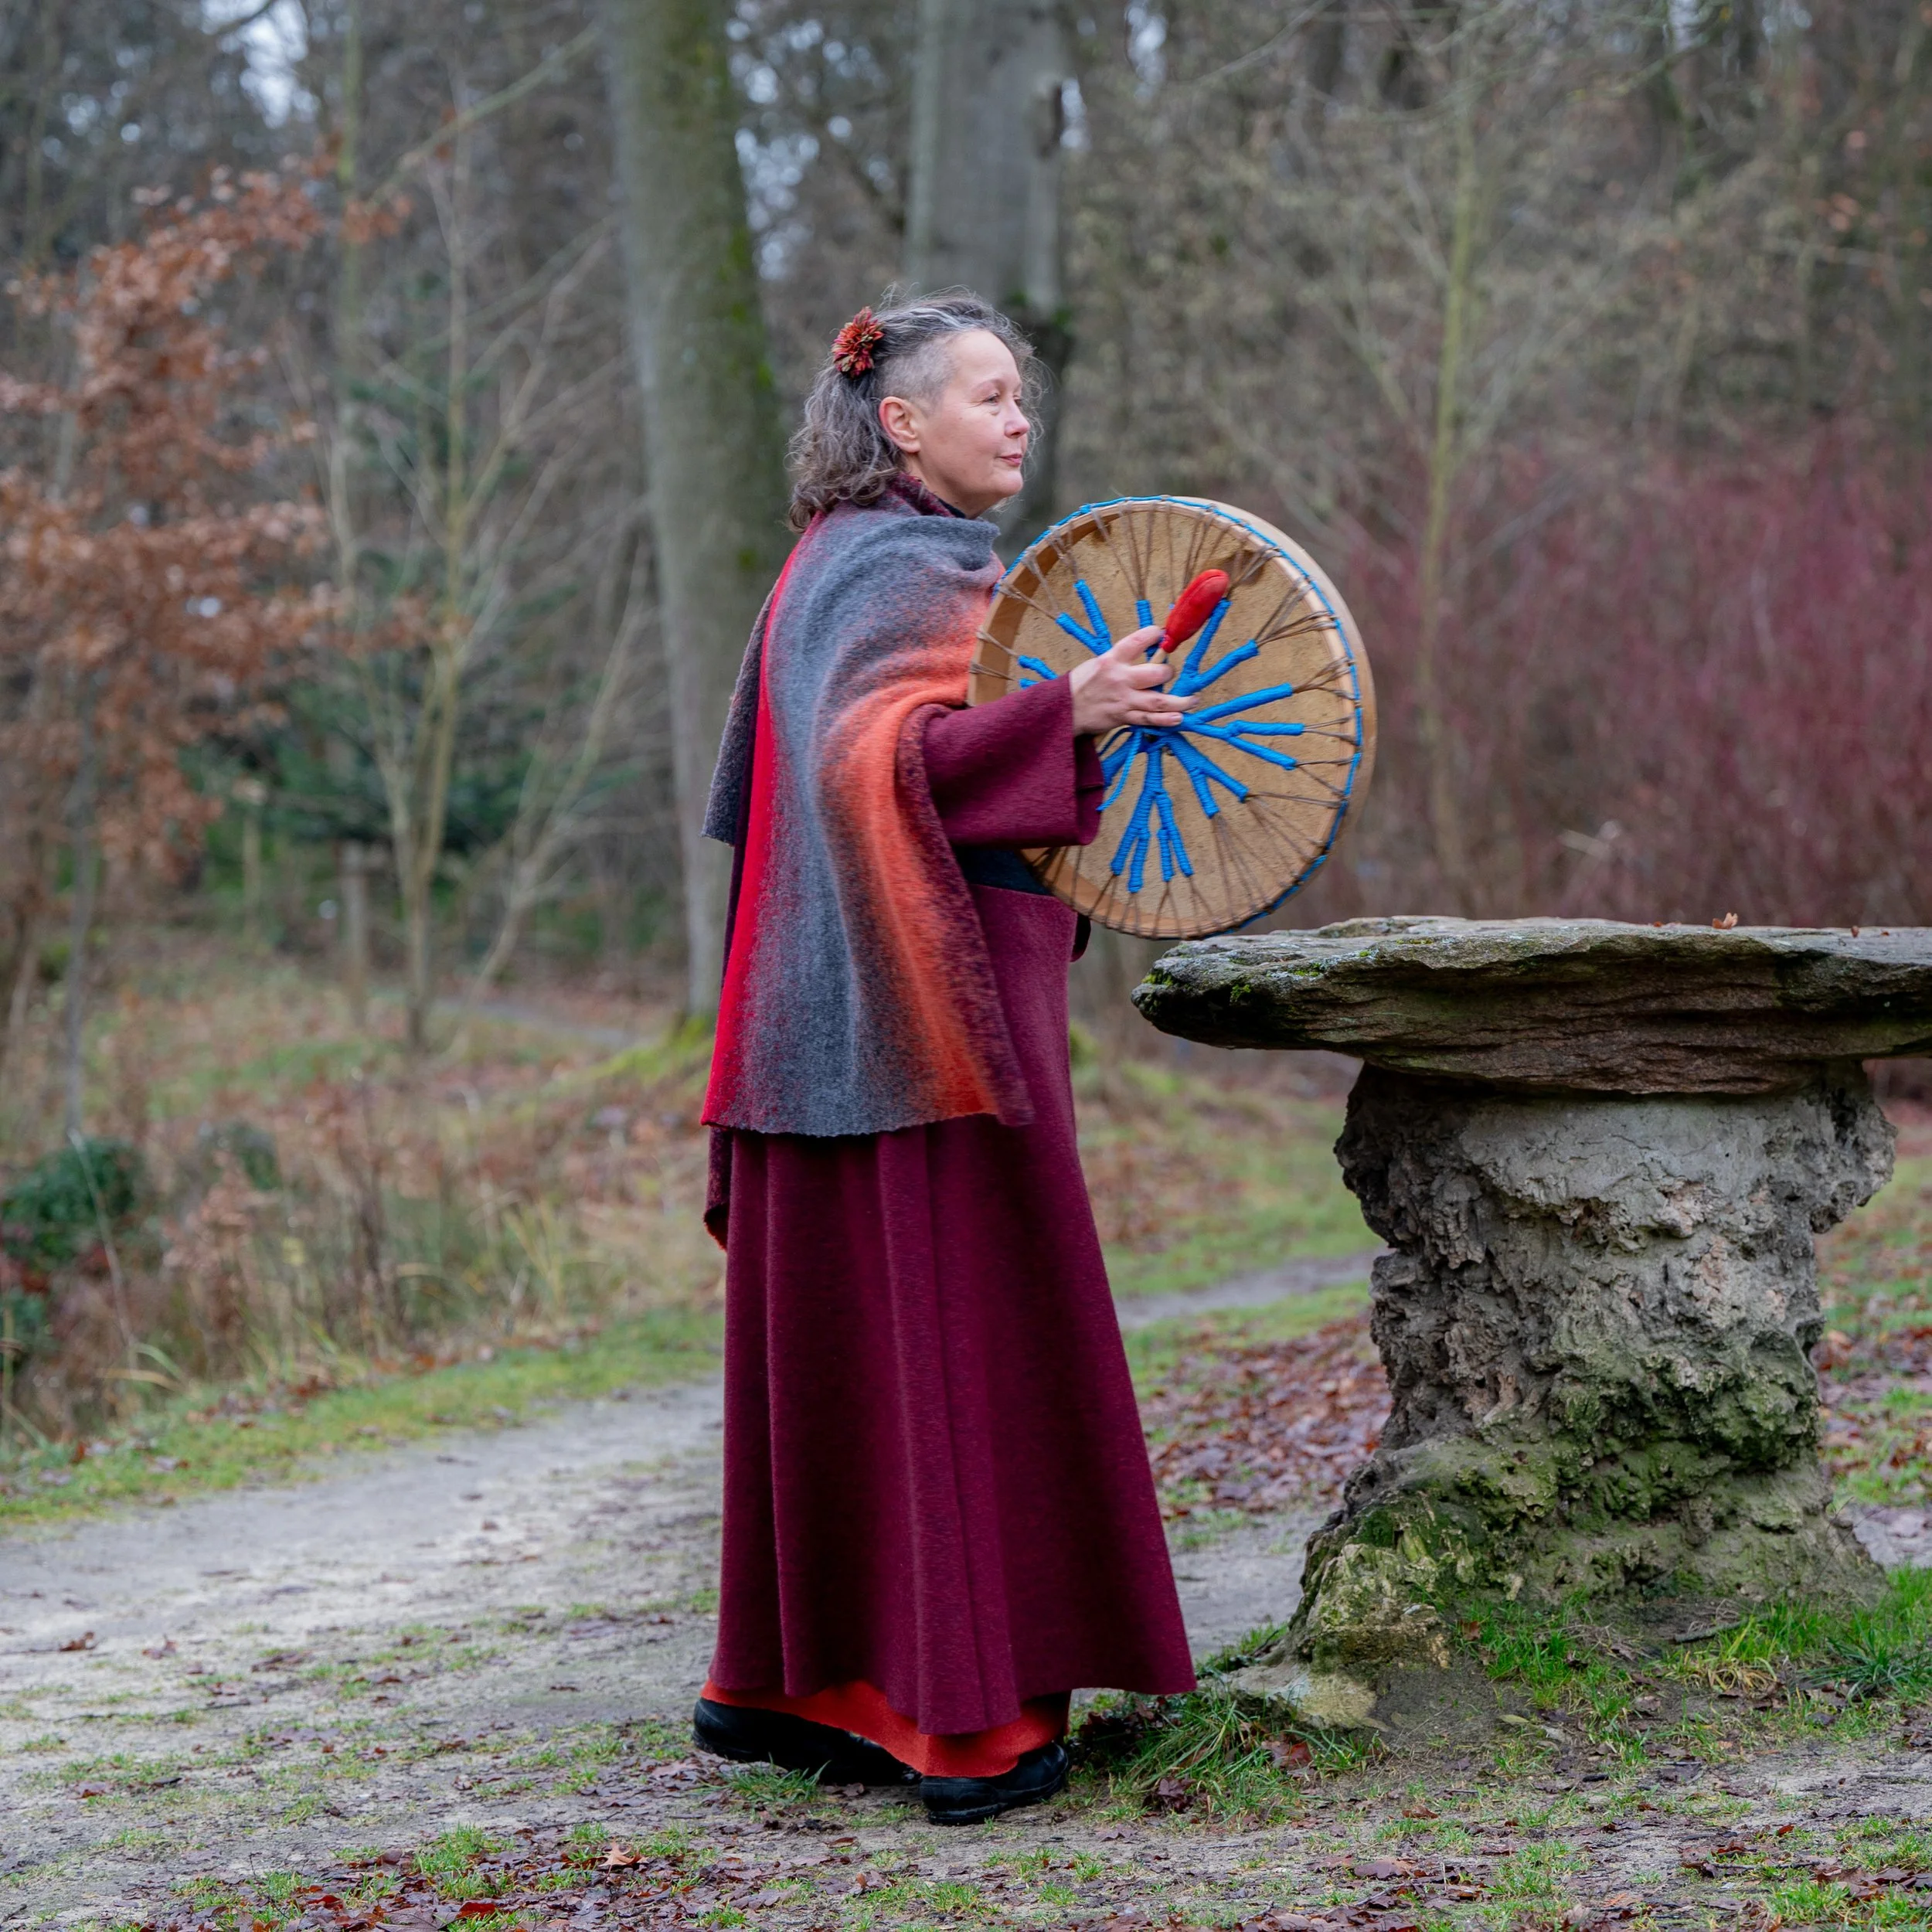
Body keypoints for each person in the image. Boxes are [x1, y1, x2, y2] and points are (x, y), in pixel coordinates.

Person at [693, 292, 1196, 1826]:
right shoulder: (890, 566)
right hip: (920, 1028)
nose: (1017, 417)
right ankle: (967, 1724)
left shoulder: (839, 568)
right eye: (987, 394)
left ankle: (824, 1692)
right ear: (899, 421)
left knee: (872, 1345)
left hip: (840, 1023)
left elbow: (884, 768)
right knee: (954, 1332)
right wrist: (1065, 708)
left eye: (1022, 393)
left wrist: (1079, 720)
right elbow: (874, 767)